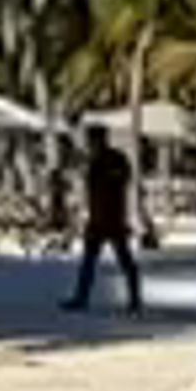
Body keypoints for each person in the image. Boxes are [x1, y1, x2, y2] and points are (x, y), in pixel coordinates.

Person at [70, 128, 142, 315]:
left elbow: (125, 177)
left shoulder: (114, 159)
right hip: (98, 219)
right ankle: (82, 297)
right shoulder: (95, 160)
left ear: (101, 140)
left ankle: (134, 299)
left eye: (92, 140)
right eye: (90, 141)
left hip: (112, 218)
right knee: (89, 260)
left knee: (123, 260)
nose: (91, 144)